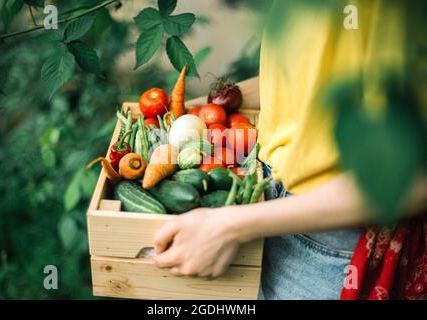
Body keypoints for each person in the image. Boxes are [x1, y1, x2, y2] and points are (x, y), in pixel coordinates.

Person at [152, 0, 426, 299]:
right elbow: (315, 71)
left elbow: (414, 178)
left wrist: (228, 226)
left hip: (335, 242)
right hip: (264, 195)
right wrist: (202, 112)